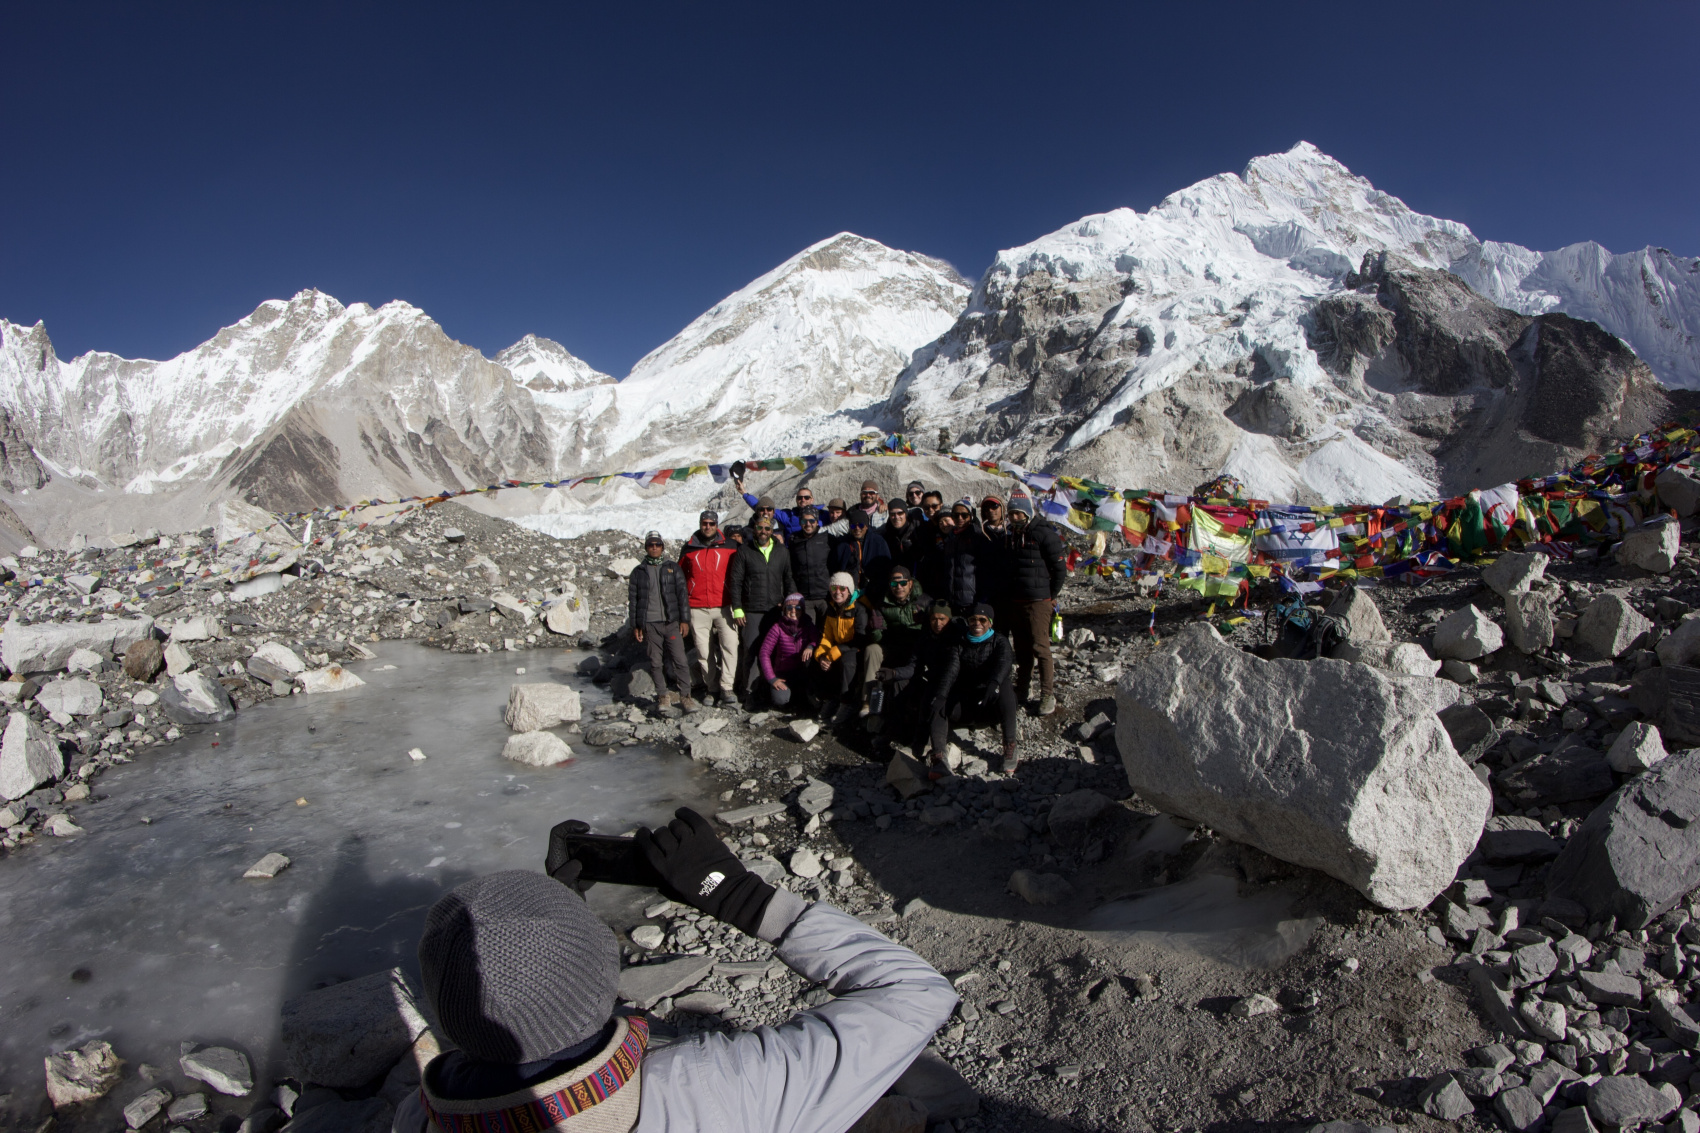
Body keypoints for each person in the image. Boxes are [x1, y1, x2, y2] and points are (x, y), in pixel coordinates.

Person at [398, 810, 955, 1133]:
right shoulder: (714, 1089)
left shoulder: (417, 1117)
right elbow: (914, 993)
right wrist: (740, 896)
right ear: (601, 977)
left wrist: (550, 942)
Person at [929, 602, 1019, 774]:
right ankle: (939, 756)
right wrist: (941, 695)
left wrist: (993, 685)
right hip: (966, 704)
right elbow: (951, 670)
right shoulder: (960, 643)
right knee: (939, 697)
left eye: (982, 620)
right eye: (973, 620)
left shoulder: (999, 642)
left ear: (990, 622)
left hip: (990, 703)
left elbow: (1004, 663)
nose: (977, 623)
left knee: (1005, 685)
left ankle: (1010, 746)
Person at [1002, 490, 1068, 716]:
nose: (1015, 518)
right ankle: (1022, 688)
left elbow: (1059, 568)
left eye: (1019, 514)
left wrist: (1049, 595)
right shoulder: (1011, 535)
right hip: (1016, 599)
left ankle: (1047, 694)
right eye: (1011, 514)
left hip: (1039, 600)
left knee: (1040, 646)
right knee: (1021, 647)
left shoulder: (1043, 533)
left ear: (1027, 512)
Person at [727, 518, 796, 699]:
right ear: (754, 529)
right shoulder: (745, 551)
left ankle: (770, 690)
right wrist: (738, 608)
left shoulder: (782, 551)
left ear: (771, 530)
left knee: (774, 650)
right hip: (751, 609)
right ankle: (749, 691)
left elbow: (788, 579)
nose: (763, 531)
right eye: (760, 528)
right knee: (751, 649)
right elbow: (736, 582)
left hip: (776, 609)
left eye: (767, 528)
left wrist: (792, 604)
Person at [627, 532, 695, 712]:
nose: (654, 547)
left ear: (662, 547)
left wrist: (684, 620)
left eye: (657, 544)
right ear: (646, 547)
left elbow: (682, 595)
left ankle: (686, 696)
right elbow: (633, 600)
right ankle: (663, 696)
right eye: (651, 545)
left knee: (680, 660)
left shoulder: (672, 567)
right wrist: (636, 625)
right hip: (650, 624)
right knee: (655, 662)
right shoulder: (638, 572)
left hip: (671, 622)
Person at [678, 510, 738, 708]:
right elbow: (680, 578)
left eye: (712, 523)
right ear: (700, 523)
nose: (708, 526)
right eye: (705, 523)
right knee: (704, 652)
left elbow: (740, 573)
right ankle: (711, 688)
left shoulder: (730, 546)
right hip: (697, 607)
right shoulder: (688, 548)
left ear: (717, 524)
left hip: (725, 605)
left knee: (730, 646)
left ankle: (727, 687)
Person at [882, 601, 959, 749]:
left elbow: (952, 670)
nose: (938, 623)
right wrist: (894, 672)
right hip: (927, 679)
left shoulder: (955, 641)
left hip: (947, 687)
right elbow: (914, 666)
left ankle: (924, 743)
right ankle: (895, 732)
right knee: (899, 684)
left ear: (949, 619)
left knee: (930, 697)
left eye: (942, 619)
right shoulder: (925, 639)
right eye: (934, 619)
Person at [862, 565, 928, 726]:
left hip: (915, 650)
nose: (899, 587)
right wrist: (874, 630)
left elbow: (936, 629)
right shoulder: (883, 603)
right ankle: (867, 701)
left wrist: (925, 623)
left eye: (903, 583)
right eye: (894, 584)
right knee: (872, 649)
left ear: (910, 584)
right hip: (893, 647)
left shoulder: (924, 602)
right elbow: (878, 638)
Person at [812, 572, 874, 726]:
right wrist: (821, 655)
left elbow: (860, 638)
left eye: (842, 588)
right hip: (838, 648)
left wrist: (834, 652)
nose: (837, 592)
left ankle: (847, 703)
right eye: (834, 587)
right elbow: (826, 636)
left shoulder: (858, 609)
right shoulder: (831, 608)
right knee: (822, 661)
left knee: (847, 662)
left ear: (849, 590)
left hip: (856, 649)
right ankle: (830, 700)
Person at [757, 593, 816, 708]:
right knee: (780, 700)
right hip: (783, 673)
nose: (794, 611)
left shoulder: (808, 625)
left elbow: (817, 639)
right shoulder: (777, 628)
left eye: (798, 607)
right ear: (784, 609)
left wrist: (811, 646)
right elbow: (764, 653)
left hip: (802, 672)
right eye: (789, 607)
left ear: (802, 610)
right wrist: (772, 678)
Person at [789, 505, 835, 625]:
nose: (808, 524)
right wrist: (794, 593)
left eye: (811, 520)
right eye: (804, 521)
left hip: (825, 596)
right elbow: (790, 570)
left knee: (826, 632)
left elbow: (834, 565)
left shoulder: (827, 538)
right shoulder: (794, 540)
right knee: (808, 635)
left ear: (817, 521)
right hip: (805, 598)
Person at [831, 510, 892, 592]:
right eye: (853, 526)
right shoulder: (843, 544)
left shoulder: (878, 542)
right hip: (848, 591)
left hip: (873, 591)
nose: (857, 528)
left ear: (866, 526)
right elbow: (836, 568)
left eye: (861, 525)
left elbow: (886, 569)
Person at [882, 500, 919, 572]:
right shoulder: (887, 534)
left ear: (906, 514)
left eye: (900, 513)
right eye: (892, 514)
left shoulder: (916, 531)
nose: (896, 517)